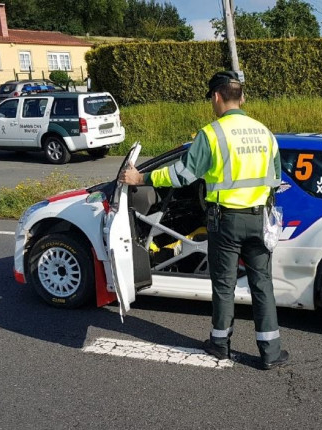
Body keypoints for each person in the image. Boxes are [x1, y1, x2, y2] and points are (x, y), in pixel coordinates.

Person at [120, 71, 289, 370]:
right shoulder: (266, 133)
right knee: (262, 285)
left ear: (216, 97)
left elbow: (181, 175)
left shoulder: (211, 134)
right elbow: (275, 178)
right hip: (260, 220)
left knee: (224, 285)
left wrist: (140, 177)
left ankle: (220, 344)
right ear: (243, 97)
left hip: (226, 221)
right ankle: (271, 352)